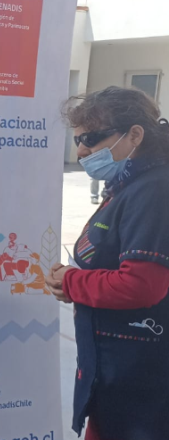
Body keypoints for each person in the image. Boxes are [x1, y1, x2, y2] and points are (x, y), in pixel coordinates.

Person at [46, 86, 169, 440]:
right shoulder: (128, 185)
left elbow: (141, 284)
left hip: (139, 377)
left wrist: (71, 283)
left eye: (92, 139)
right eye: (78, 141)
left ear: (135, 134)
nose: (82, 151)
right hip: (113, 368)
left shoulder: (154, 190)